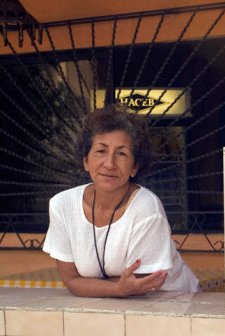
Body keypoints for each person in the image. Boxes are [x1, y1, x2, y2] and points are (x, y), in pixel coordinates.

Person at [43, 106, 199, 297]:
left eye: (122, 153)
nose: (109, 164)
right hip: (114, 304)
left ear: (134, 167)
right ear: (86, 161)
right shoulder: (62, 205)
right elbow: (71, 280)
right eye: (101, 151)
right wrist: (116, 288)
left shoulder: (146, 207)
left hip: (175, 301)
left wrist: (95, 286)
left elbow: (142, 283)